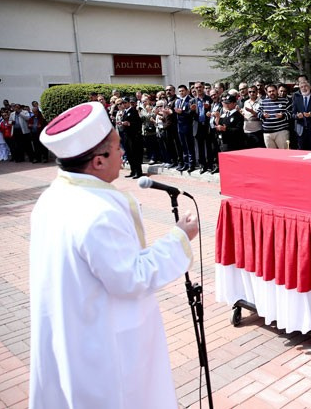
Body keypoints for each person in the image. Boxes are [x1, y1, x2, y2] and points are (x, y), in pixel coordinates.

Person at [30, 102, 199, 409]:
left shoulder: (52, 196)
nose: (124, 154)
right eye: (118, 147)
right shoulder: (97, 213)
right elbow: (131, 278)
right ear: (97, 161)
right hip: (103, 346)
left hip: (74, 331)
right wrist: (179, 238)